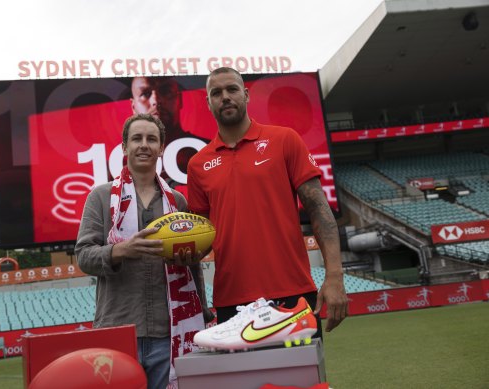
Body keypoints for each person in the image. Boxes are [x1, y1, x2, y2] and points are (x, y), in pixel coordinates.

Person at [187, 67, 348, 338]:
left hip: (293, 294)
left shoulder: (284, 139)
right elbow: (201, 241)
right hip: (231, 302)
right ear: (208, 102)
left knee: (303, 381)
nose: (225, 97)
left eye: (232, 89)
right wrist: (182, 254)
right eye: (216, 93)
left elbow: (319, 210)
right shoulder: (197, 164)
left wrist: (335, 275)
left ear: (246, 95)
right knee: (248, 382)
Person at [75, 113, 209, 389]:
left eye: (151, 139)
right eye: (136, 138)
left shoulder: (177, 201)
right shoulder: (100, 197)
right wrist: (121, 250)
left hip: (169, 332)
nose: (144, 145)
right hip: (118, 329)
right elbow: (84, 256)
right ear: (124, 147)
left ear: (162, 148)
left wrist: (203, 311)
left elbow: (193, 266)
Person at [130, 76, 209, 186]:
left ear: (179, 99)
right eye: (145, 94)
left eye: (166, 91)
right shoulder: (119, 165)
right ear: (133, 106)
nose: (156, 100)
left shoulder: (208, 152)